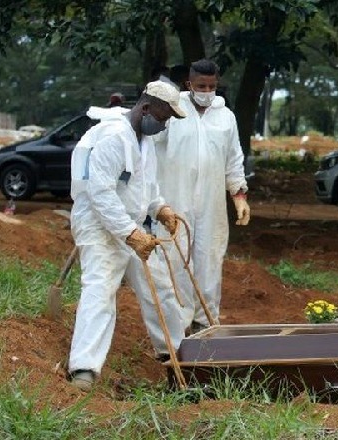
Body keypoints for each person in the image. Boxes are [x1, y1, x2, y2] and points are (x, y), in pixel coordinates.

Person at [67, 81, 187, 391]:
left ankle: (177, 355)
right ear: (146, 109)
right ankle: (84, 369)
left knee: (159, 287)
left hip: (131, 226)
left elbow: (145, 187)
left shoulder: (143, 140)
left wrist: (161, 209)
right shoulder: (113, 137)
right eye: (163, 118)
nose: (164, 125)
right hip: (98, 226)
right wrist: (130, 233)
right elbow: (100, 192)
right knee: (101, 288)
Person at [154, 59, 250, 333]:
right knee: (177, 259)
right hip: (175, 198)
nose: (207, 91)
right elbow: (149, 146)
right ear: (189, 85)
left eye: (212, 86)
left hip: (212, 203)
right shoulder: (173, 111)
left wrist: (238, 194)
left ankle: (206, 322)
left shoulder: (226, 117)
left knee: (210, 260)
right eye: (201, 86)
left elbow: (234, 158)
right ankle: (179, 325)